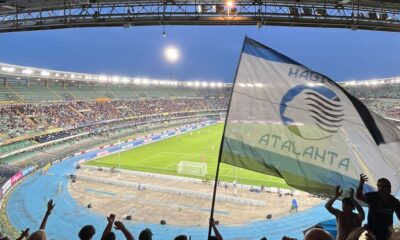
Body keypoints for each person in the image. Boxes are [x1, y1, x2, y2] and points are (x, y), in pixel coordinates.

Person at [356, 174, 400, 240]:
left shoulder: (394, 201)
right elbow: (358, 196)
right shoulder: (372, 196)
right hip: (372, 234)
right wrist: (361, 184)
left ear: (389, 188)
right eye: (379, 186)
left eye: (383, 186)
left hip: (387, 235)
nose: (381, 188)